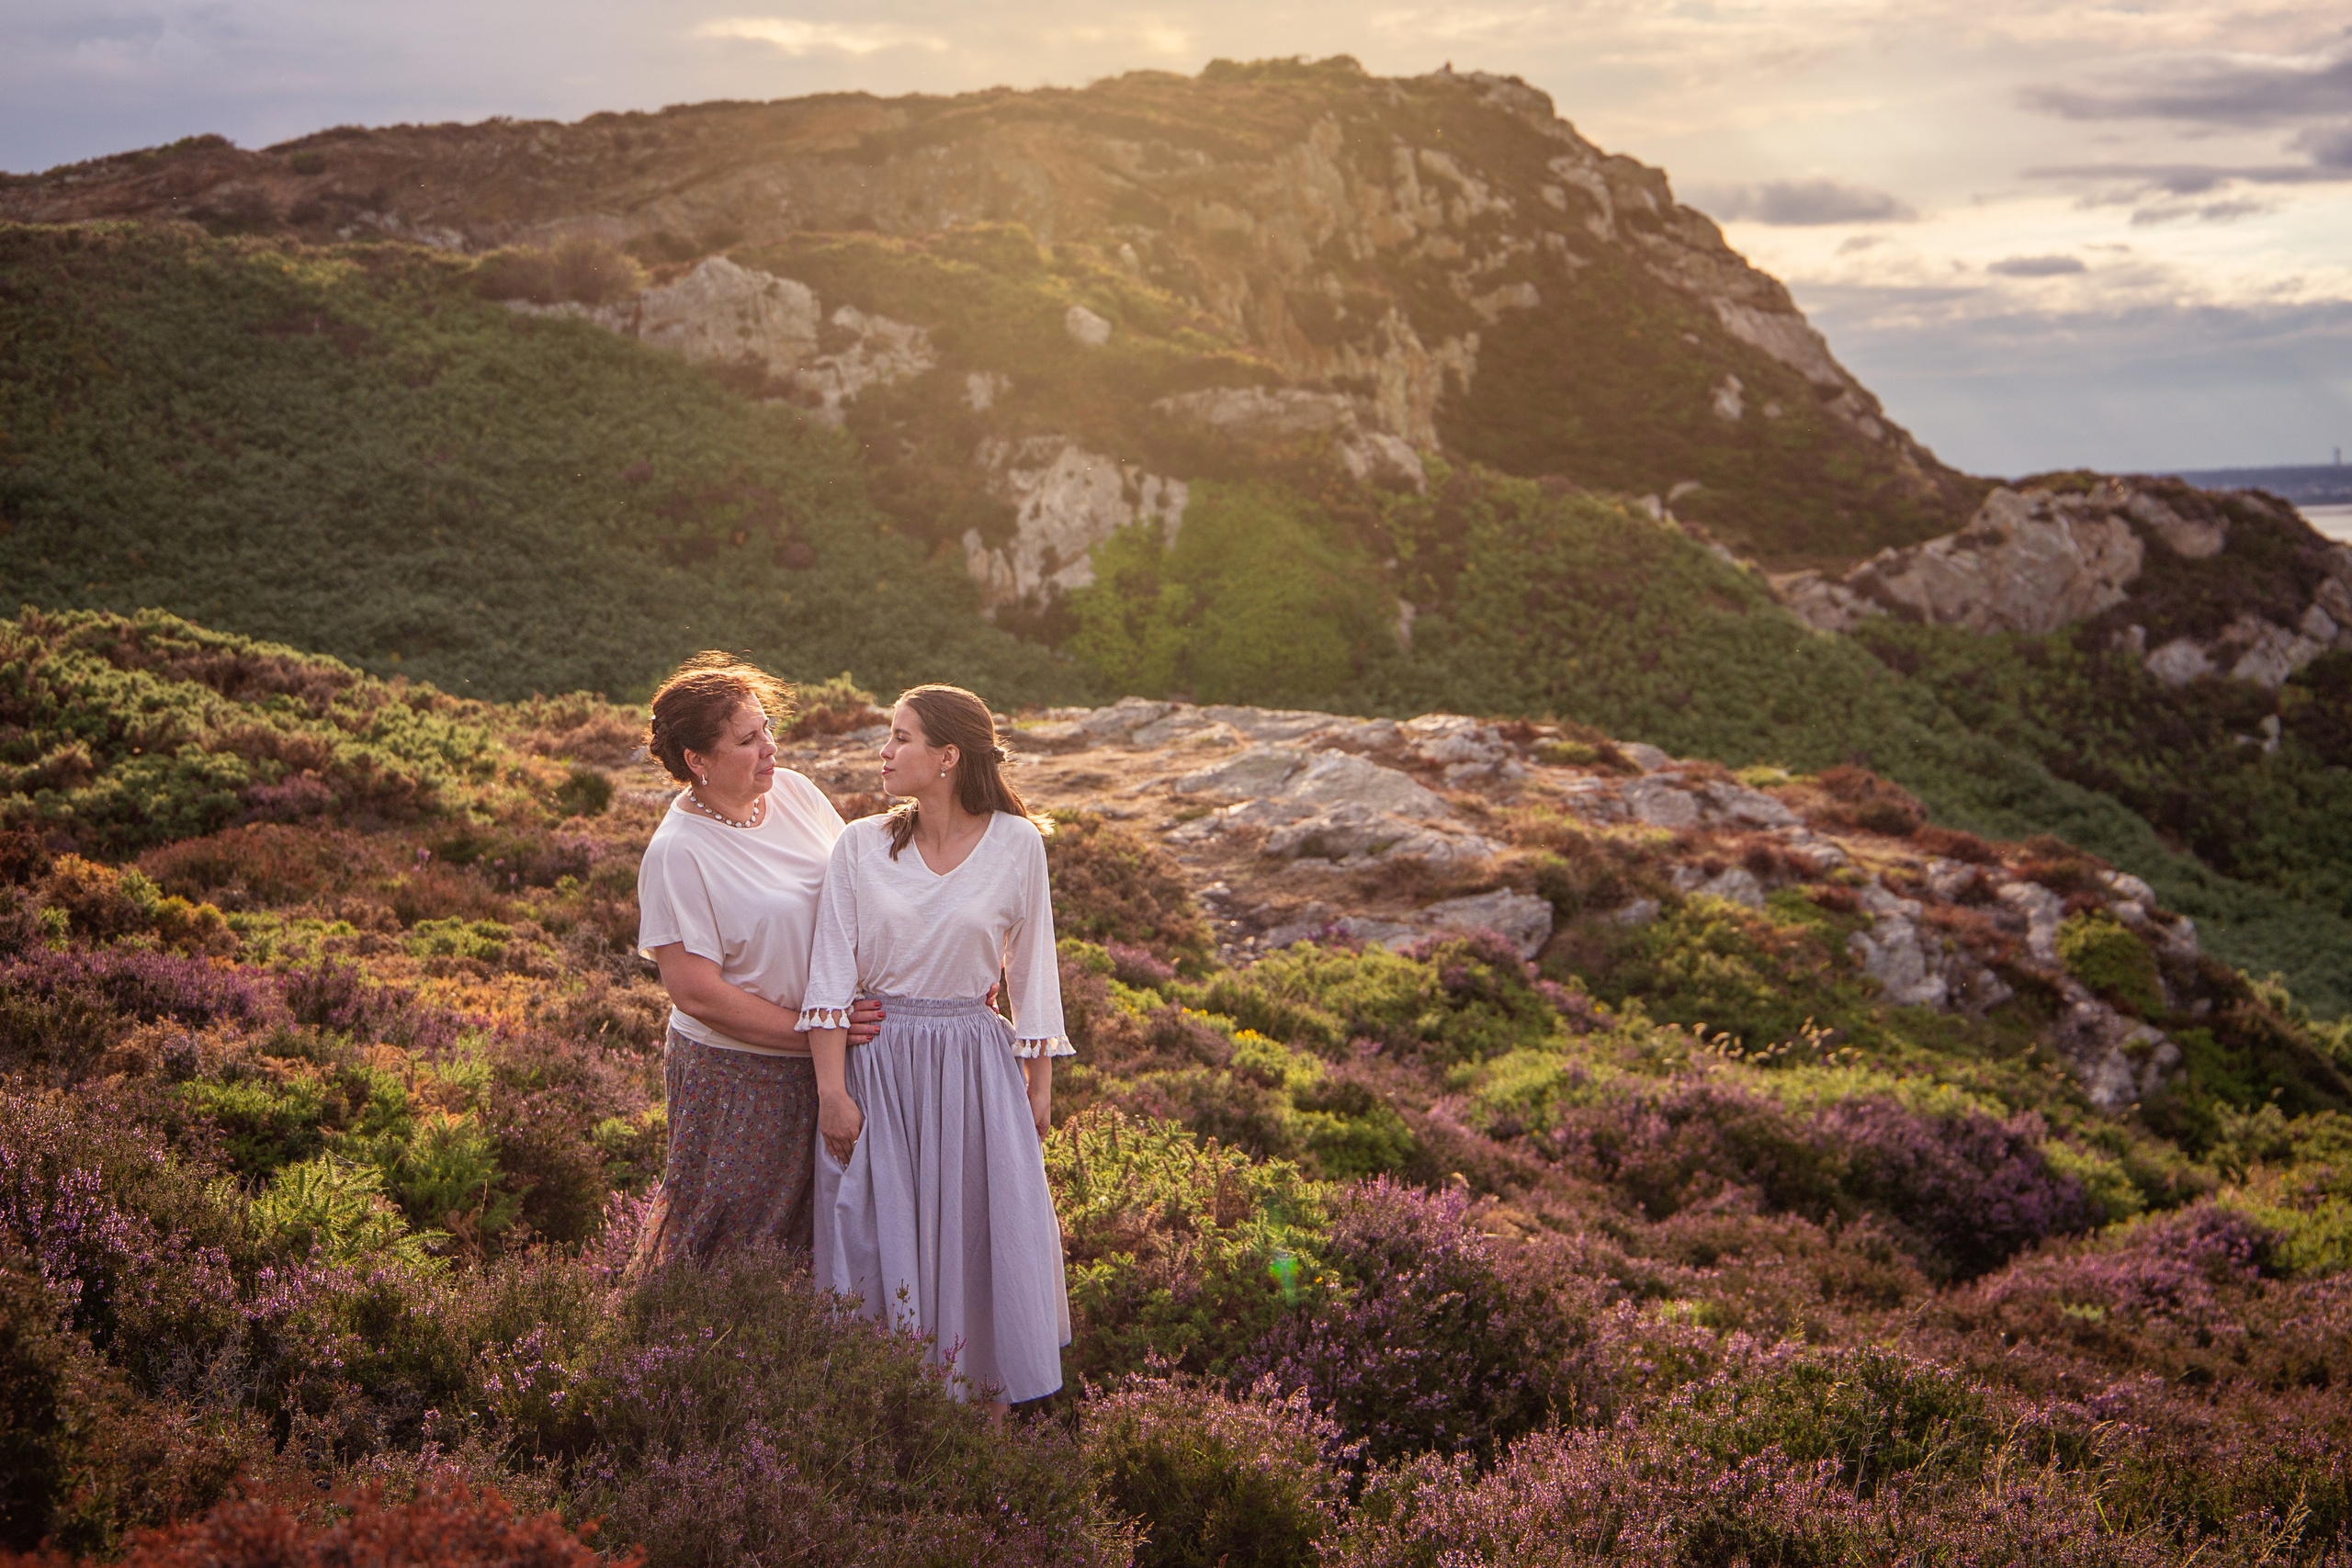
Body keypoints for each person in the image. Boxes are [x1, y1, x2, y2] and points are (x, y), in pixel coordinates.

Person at [800, 683, 1072, 1415]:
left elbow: (1033, 971)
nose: (884, 751)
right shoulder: (860, 845)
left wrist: (1038, 1083)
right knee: (876, 1241)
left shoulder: (1018, 845)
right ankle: (883, 1420)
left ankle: (977, 1430)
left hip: (978, 1070)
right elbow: (829, 975)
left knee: (981, 1239)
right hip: (880, 1071)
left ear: (948, 756)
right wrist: (833, 1091)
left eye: (902, 737)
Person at [630, 652, 883, 1271]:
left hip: (829, 1061)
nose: (770, 746)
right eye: (748, 738)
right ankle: (681, 1362)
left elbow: (865, 895)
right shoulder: (678, 853)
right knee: (731, 1245)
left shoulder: (794, 792)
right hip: (739, 1081)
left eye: (767, 726)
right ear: (698, 760)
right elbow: (698, 995)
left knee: (827, 1243)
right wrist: (823, 1032)